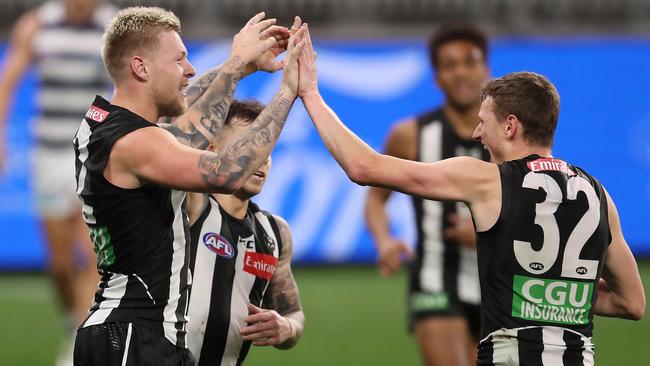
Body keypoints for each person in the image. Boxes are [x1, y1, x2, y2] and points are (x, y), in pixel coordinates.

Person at [297, 27, 645, 364]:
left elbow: (363, 167)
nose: (478, 132)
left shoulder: (485, 178)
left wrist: (310, 94)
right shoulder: (598, 193)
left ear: (510, 126)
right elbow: (632, 304)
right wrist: (558, 290)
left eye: (485, 122)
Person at [72, 7, 306, 365]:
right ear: (141, 67)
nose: (190, 69)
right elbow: (226, 172)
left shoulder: (108, 125)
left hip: (133, 333)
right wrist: (288, 91)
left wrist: (241, 67)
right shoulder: (135, 143)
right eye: (180, 59)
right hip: (136, 334)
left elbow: (185, 115)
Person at [364, 23, 489, 365]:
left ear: (486, 69)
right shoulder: (411, 135)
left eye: (470, 61)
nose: (461, 72)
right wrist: (384, 240)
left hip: (499, 283)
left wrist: (488, 230)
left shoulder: (510, 136)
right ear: (437, 77)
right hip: (435, 280)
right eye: (449, 65)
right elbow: (376, 198)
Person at [0, 0, 115, 334]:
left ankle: (81, 337)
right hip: (48, 155)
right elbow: (9, 80)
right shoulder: (37, 24)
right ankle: (71, 320)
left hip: (92, 155)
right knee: (60, 264)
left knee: (91, 255)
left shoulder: (111, 27)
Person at [186, 99, 305, 366]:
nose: (260, 159)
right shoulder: (189, 204)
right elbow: (181, 133)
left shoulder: (275, 232)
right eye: (248, 146)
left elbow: (294, 313)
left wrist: (286, 327)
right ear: (213, 148)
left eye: (267, 149)